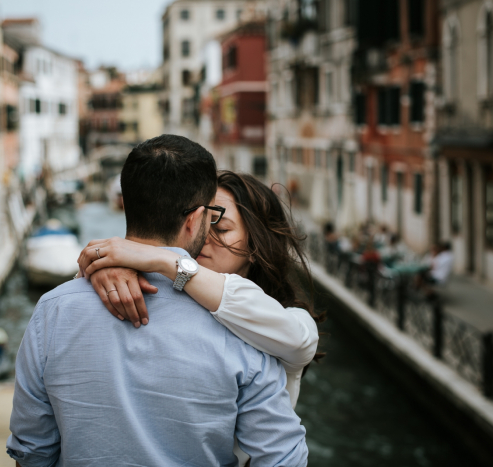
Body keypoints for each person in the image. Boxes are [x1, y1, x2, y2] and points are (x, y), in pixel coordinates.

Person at [7, 135, 309, 467]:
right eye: (211, 220)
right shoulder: (243, 336)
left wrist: (141, 262)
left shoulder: (52, 312)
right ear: (195, 219)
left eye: (220, 227)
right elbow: (283, 458)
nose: (208, 236)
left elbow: (31, 451)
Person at [78, 170, 322, 466]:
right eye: (204, 224)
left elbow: (297, 340)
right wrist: (105, 268)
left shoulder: (292, 321)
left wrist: (161, 258)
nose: (204, 238)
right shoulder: (160, 287)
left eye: (222, 229)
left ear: (256, 247)